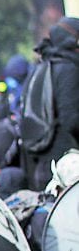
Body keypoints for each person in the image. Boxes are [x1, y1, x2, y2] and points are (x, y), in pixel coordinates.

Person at [22, 17, 79, 190]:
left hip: (40, 159)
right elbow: (71, 120)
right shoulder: (69, 68)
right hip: (67, 163)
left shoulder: (42, 67)